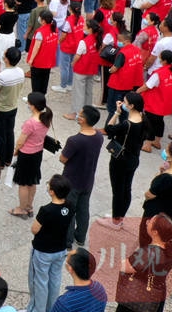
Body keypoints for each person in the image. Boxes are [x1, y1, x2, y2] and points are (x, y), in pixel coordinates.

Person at [96, 92, 144, 229]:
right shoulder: (143, 119)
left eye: (125, 102)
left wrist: (116, 113)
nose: (122, 103)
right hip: (134, 158)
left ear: (131, 106)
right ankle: (120, 216)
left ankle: (115, 221)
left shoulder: (127, 124)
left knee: (117, 190)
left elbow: (109, 129)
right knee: (127, 188)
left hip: (120, 160)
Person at [27, 175, 74, 312]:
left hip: (43, 251)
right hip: (60, 250)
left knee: (39, 282)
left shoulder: (46, 210)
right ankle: (51, 308)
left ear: (52, 191)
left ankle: (37, 309)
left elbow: (34, 229)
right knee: (55, 280)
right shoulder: (70, 206)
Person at [59, 105, 103, 249]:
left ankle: (67, 241)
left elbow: (63, 159)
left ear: (83, 120)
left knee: (69, 211)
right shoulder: (98, 136)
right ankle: (80, 237)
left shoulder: (74, 140)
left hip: (72, 180)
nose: (78, 115)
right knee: (83, 210)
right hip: (88, 180)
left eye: (80, 114)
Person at [115, 213, 172, 312]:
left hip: (136, 297)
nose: (147, 222)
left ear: (155, 232)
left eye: (150, 222)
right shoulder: (171, 247)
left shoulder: (147, 254)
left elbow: (124, 267)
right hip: (156, 295)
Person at [10, 92, 51, 218]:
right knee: (32, 181)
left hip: (26, 154)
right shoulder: (46, 119)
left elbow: (21, 141)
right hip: (37, 153)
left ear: (32, 106)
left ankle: (21, 208)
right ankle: (29, 206)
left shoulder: (30, 123)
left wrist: (16, 150)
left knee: (23, 183)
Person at [138, 139, 172, 247]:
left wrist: (160, 174)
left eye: (167, 151)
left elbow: (149, 194)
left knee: (148, 241)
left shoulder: (165, 178)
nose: (165, 152)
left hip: (156, 213)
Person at [0, 47, 25, 166]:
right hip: (13, 106)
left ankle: (0, 160)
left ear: (7, 59)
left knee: (0, 135)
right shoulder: (21, 72)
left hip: (0, 109)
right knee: (10, 132)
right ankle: (8, 159)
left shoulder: (2, 76)